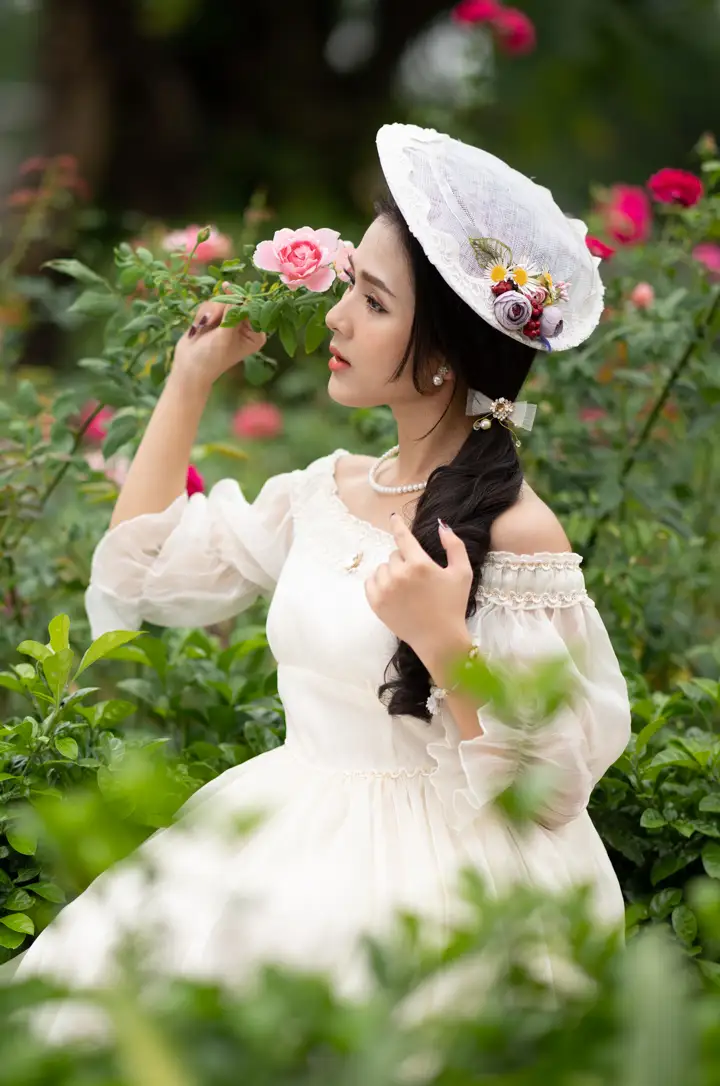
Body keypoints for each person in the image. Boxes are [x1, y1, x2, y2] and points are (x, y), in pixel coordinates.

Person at [13, 123, 631, 1040]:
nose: (338, 318)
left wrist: (444, 641)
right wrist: (189, 383)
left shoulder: (513, 528)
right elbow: (148, 570)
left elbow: (546, 791)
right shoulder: (323, 492)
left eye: (374, 303)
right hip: (288, 826)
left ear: (441, 353)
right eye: (350, 287)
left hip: (446, 878)